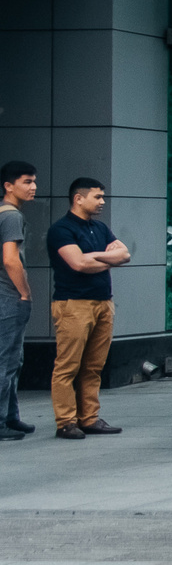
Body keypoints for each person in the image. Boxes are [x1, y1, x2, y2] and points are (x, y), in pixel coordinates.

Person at [45, 177, 128, 439]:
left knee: (93, 366)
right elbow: (78, 264)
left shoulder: (101, 228)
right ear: (78, 198)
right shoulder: (61, 230)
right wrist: (106, 259)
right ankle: (66, 422)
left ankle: (89, 418)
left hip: (103, 303)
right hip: (73, 304)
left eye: (103, 196)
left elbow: (125, 255)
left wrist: (93, 256)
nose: (102, 201)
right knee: (68, 366)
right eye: (97, 196)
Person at [0, 161, 38, 439]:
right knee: (7, 361)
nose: (33, 186)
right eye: (27, 181)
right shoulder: (11, 215)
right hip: (8, 297)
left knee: (13, 359)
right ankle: (3, 421)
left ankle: (11, 417)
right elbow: (11, 260)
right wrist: (24, 293)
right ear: (8, 186)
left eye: (34, 181)